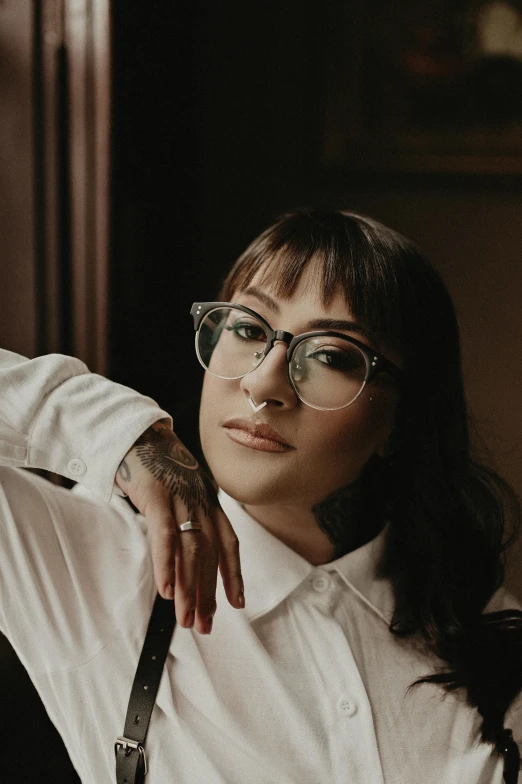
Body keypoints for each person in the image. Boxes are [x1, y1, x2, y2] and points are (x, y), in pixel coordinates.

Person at [0, 209, 521, 784]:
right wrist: (125, 435)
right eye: (247, 329)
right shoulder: (97, 567)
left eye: (329, 355)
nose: (263, 382)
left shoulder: (493, 635)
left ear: (402, 421)